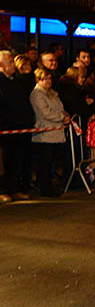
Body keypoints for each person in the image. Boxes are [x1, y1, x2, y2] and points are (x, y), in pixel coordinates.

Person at [0, 50, 35, 201]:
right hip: (5, 129)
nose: (14, 65)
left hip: (19, 128)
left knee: (17, 160)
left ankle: (15, 188)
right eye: (10, 62)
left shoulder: (15, 81)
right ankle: (3, 190)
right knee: (5, 161)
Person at [30, 67, 69, 197]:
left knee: (51, 161)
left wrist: (65, 115)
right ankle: (45, 188)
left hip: (56, 133)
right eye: (44, 79)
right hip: (45, 134)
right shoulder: (37, 95)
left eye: (49, 78)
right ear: (38, 80)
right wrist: (62, 117)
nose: (48, 81)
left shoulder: (53, 93)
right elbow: (45, 112)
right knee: (44, 163)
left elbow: (60, 108)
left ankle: (50, 185)